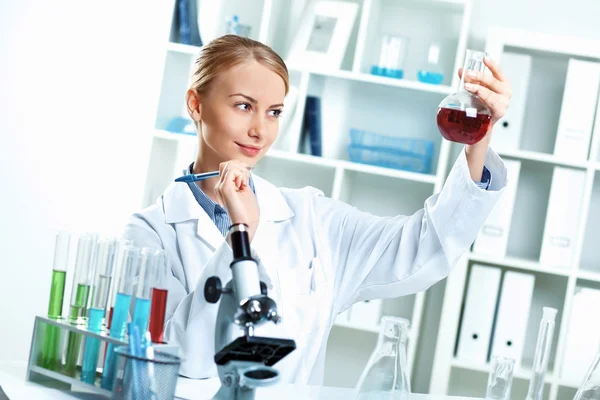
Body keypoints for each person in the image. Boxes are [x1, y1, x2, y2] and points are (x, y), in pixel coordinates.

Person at [123, 34, 511, 384]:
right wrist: (240, 235)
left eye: (274, 112)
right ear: (196, 104)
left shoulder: (311, 217)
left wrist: (478, 139)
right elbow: (164, 368)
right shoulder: (150, 234)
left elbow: (424, 248)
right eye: (244, 106)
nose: (261, 130)